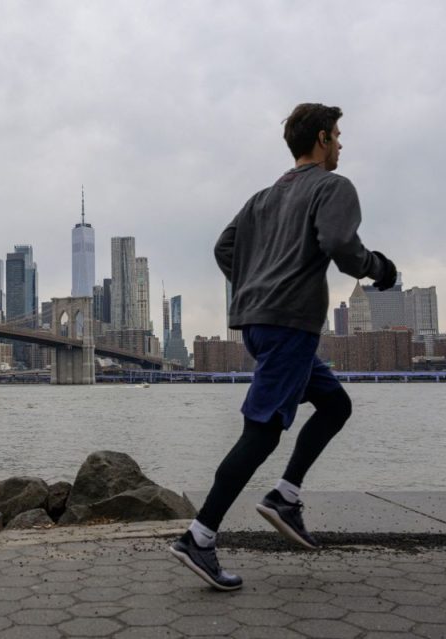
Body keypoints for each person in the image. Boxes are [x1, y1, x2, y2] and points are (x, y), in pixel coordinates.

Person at [169, 103, 398, 591]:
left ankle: (285, 496)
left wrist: (256, 283)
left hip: (258, 322)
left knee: (335, 404)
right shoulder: (334, 186)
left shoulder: (262, 198)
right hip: (289, 323)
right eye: (337, 135)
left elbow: (222, 249)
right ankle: (200, 536)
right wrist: (380, 268)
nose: (341, 144)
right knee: (262, 431)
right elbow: (340, 243)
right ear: (320, 139)